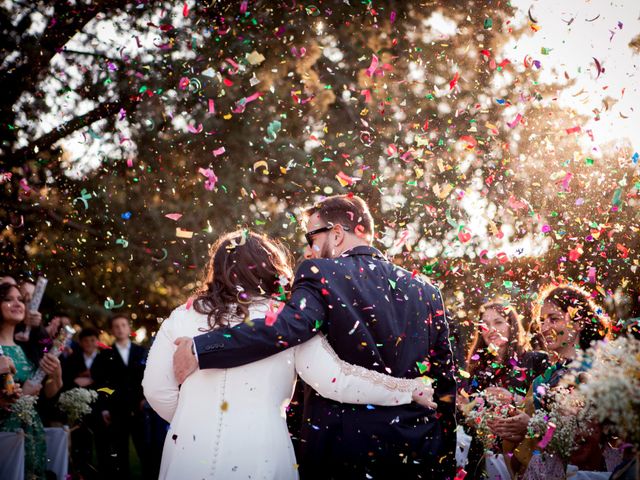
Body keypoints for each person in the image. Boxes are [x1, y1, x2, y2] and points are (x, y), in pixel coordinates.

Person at [173, 195, 457, 479]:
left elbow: (283, 329)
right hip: (419, 447)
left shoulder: (322, 273)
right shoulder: (426, 290)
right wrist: (446, 455)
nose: (309, 250)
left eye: (311, 238)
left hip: (344, 450)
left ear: (336, 233)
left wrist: (202, 347)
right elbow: (444, 380)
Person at [490, 284, 609, 478]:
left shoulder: (600, 371)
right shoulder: (542, 380)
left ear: (578, 322)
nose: (545, 328)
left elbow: (591, 439)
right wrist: (513, 430)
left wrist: (534, 426)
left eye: (553, 319)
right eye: (542, 321)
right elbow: (531, 449)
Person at [461, 301, 548, 479]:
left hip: (522, 457)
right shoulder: (476, 369)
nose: (491, 329)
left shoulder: (536, 360)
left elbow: (547, 412)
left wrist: (514, 399)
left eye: (498, 322)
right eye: (485, 324)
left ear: (512, 326)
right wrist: (467, 408)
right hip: (482, 459)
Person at [0, 282, 63, 479]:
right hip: (6, 433)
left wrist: (56, 375)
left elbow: (48, 393)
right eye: (8, 299)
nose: (17, 303)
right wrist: (22, 394)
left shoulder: (23, 347)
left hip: (32, 430)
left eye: (20, 299)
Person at [92, 315, 147, 479]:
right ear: (112, 330)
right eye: (116, 326)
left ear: (128, 328)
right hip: (117, 408)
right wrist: (104, 408)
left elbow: (148, 377)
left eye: (123, 325)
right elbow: (101, 383)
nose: (120, 329)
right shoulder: (105, 355)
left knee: (145, 449)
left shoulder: (141, 351)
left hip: (139, 406)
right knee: (119, 450)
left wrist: (146, 399)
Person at [62, 327, 101, 479]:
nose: (89, 343)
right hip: (78, 406)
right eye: (85, 340)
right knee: (80, 440)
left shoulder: (104, 358)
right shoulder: (74, 359)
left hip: (98, 406)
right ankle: (81, 471)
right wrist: (79, 380)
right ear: (80, 343)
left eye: (92, 340)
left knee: (100, 441)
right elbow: (68, 379)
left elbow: (107, 381)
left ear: (97, 342)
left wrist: (92, 379)